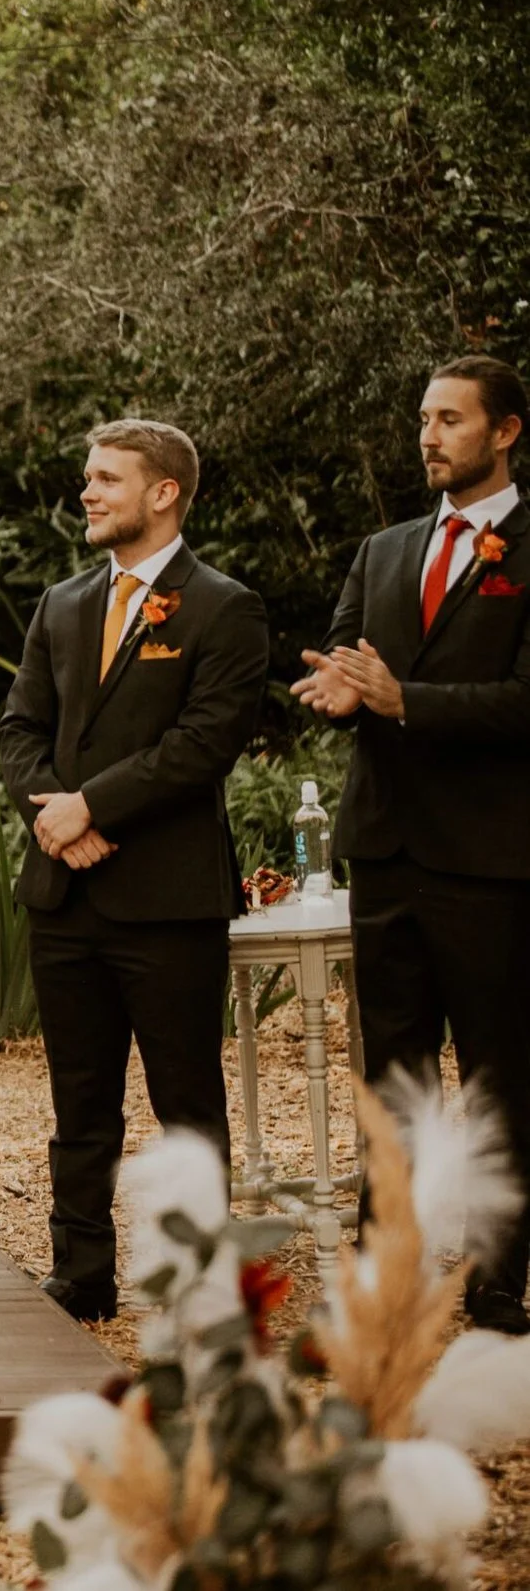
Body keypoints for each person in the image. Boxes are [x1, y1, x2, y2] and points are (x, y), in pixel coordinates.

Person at [0, 421, 268, 1322]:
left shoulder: (224, 608)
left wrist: (93, 807)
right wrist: (56, 820)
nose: (88, 491)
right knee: (79, 1102)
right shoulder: (63, 603)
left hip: (168, 901)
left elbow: (204, 744)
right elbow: (19, 731)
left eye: (107, 478)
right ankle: (80, 1274)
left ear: (163, 492)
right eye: (88, 476)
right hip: (64, 894)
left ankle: (200, 1281)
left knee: (186, 1102)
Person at [291, 354, 530, 1334]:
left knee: (499, 1075)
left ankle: (497, 1279)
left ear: (505, 432)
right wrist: (340, 692)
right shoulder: (383, 550)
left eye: (450, 419)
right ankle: (385, 1274)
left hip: (493, 859)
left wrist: (406, 700)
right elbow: (349, 656)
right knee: (392, 1077)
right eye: (424, 418)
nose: (428, 435)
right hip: (385, 849)